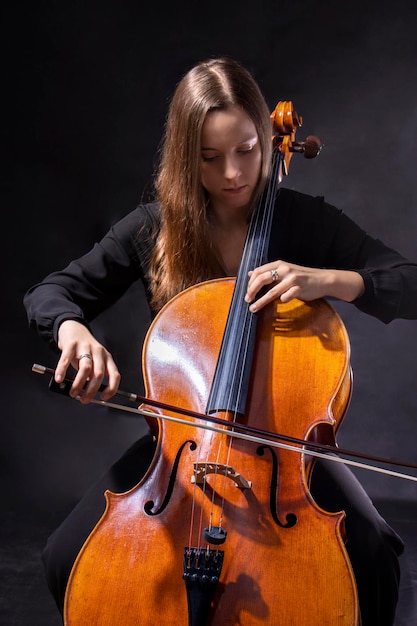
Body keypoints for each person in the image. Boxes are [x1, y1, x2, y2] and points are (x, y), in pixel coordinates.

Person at [24, 56, 417, 625]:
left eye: (248, 150)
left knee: (377, 555)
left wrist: (331, 280)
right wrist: (73, 331)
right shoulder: (153, 227)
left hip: (283, 445)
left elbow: (410, 281)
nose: (233, 173)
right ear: (187, 158)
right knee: (64, 557)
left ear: (266, 140)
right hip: (181, 447)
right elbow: (53, 292)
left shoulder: (306, 223)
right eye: (210, 158)